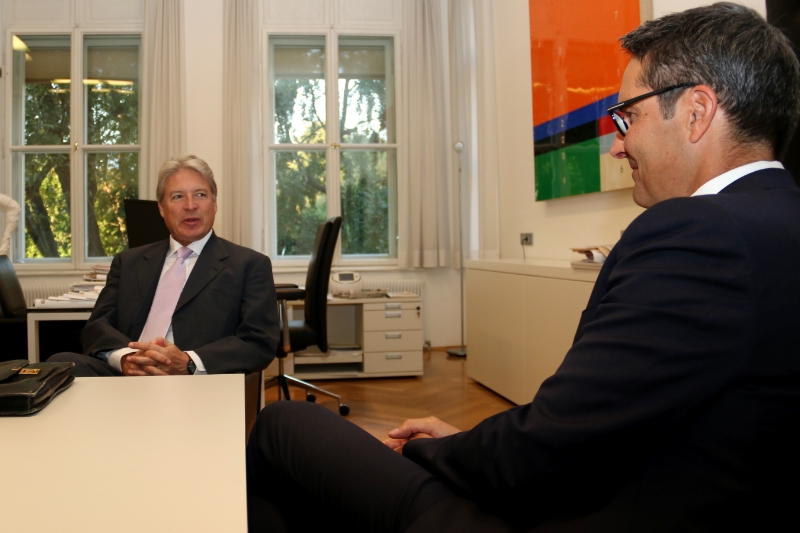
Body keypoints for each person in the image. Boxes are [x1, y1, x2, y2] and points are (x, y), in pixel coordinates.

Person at [245, 3, 800, 532]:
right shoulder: (775, 224)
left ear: (697, 112)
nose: (616, 147)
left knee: (284, 425)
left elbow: (551, 449)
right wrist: (475, 441)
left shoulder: (699, 231)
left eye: (626, 117)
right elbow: (615, 418)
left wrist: (434, 451)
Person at [49, 155, 279, 377]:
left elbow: (258, 341)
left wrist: (188, 363)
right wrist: (126, 358)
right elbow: (97, 327)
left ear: (214, 203)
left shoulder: (248, 265)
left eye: (200, 195)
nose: (190, 205)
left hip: (197, 381)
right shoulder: (128, 262)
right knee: (59, 363)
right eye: (178, 197)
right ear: (161, 208)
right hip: (128, 376)